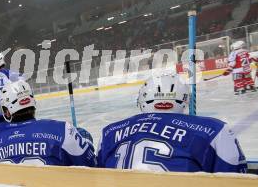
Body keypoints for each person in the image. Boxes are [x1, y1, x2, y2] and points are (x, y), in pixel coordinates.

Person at [97, 74, 247, 173]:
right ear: (184, 100)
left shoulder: (109, 132)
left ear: (142, 100)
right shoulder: (213, 130)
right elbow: (234, 177)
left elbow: (97, 174)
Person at [0, 80, 96, 166]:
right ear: (32, 103)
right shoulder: (62, 129)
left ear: (8, 112)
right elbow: (91, 165)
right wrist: (85, 141)